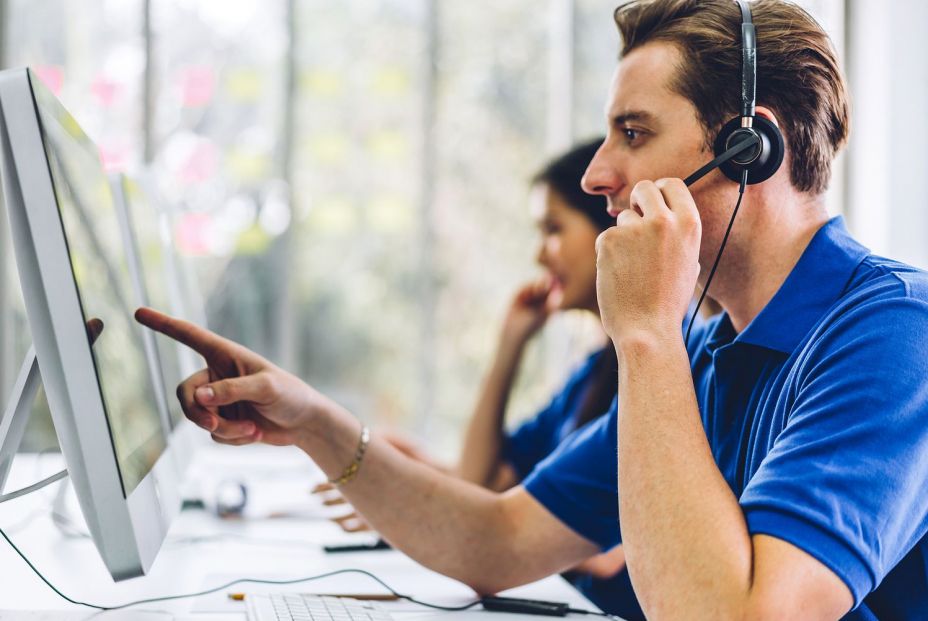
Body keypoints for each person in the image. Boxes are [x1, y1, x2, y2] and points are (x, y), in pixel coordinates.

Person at [136, 1, 928, 619]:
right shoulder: (709, 348)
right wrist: (313, 419)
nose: (596, 173)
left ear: (749, 148)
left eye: (633, 132)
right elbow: (496, 538)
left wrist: (646, 334)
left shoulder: (893, 334)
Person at [318, 139, 627, 581]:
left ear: (609, 226)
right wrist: (509, 346)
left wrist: (431, 516)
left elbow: (606, 553)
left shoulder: (658, 373)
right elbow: (481, 478)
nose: (540, 255)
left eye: (554, 229)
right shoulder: (591, 375)